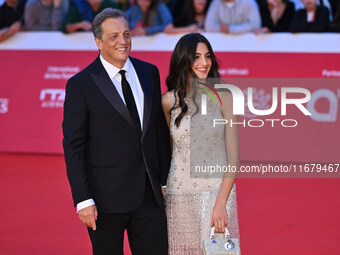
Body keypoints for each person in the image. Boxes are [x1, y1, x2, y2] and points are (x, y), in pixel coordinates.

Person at [63, 8, 171, 255]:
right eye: (113, 37)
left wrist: (165, 181)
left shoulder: (149, 73)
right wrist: (83, 199)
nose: (123, 41)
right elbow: (73, 146)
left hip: (149, 196)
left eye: (126, 34)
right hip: (105, 199)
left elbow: (157, 132)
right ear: (98, 42)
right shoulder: (81, 84)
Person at [162, 33, 240, 254]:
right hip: (179, 192)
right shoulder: (168, 102)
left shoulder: (224, 97)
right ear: (183, 59)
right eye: (196, 57)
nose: (204, 63)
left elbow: (233, 157)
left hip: (217, 190)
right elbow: (170, 150)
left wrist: (221, 202)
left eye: (207, 56)